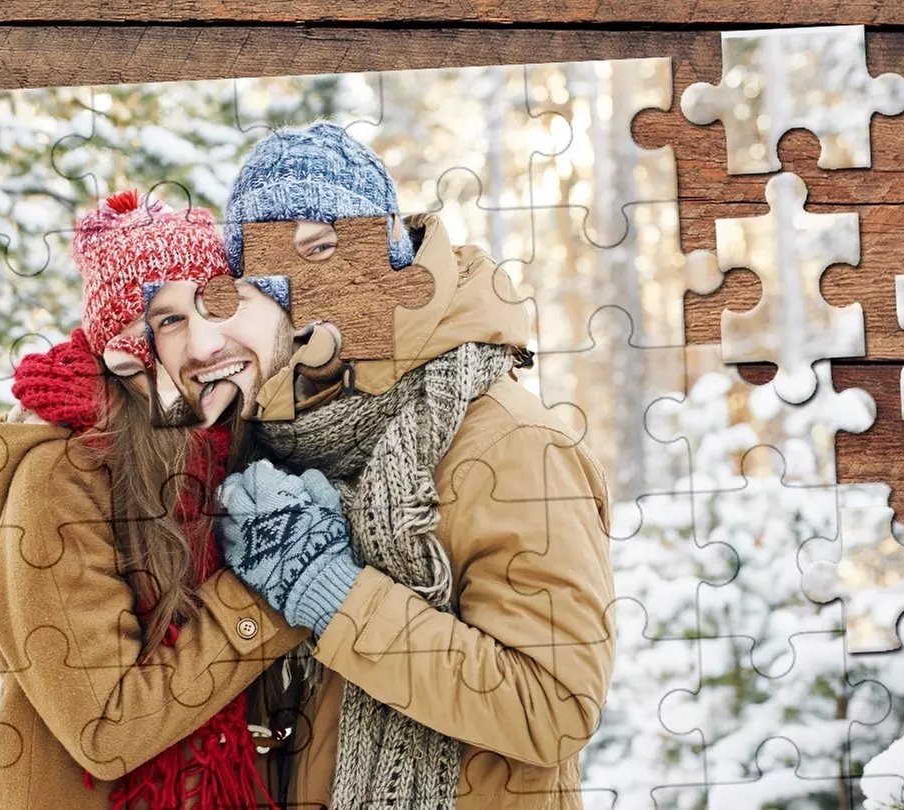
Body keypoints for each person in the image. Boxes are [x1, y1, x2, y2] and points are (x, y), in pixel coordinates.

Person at [206, 122, 618, 809]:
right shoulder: (264, 441)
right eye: (265, 272)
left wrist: (331, 593)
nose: (301, 292)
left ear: (391, 258)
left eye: (328, 249)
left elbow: (555, 705)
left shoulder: (512, 440)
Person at [0, 190, 310, 810]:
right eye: (170, 321)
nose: (208, 345)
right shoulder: (61, 475)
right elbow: (106, 728)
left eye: (213, 305)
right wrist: (274, 593)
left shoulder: (229, 449)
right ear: (125, 348)